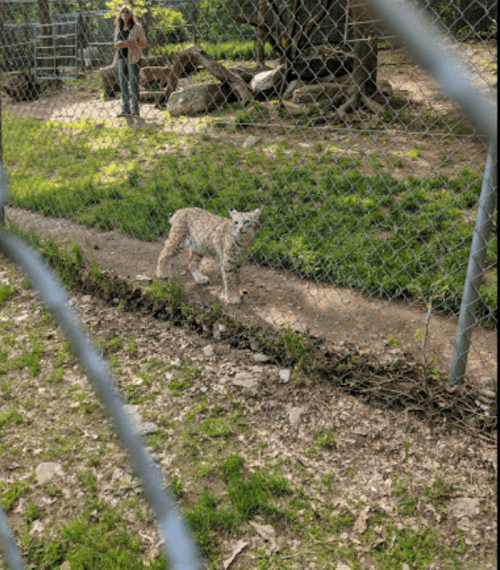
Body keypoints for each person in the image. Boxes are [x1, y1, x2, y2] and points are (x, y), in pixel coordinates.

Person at [113, 5, 147, 117]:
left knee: (133, 83)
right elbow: (115, 43)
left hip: (134, 58)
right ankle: (125, 109)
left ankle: (135, 110)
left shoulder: (137, 27)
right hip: (121, 58)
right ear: (120, 15)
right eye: (122, 12)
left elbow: (144, 44)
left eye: (127, 12)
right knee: (123, 83)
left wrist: (135, 44)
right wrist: (120, 44)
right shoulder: (118, 27)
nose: (124, 14)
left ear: (130, 14)